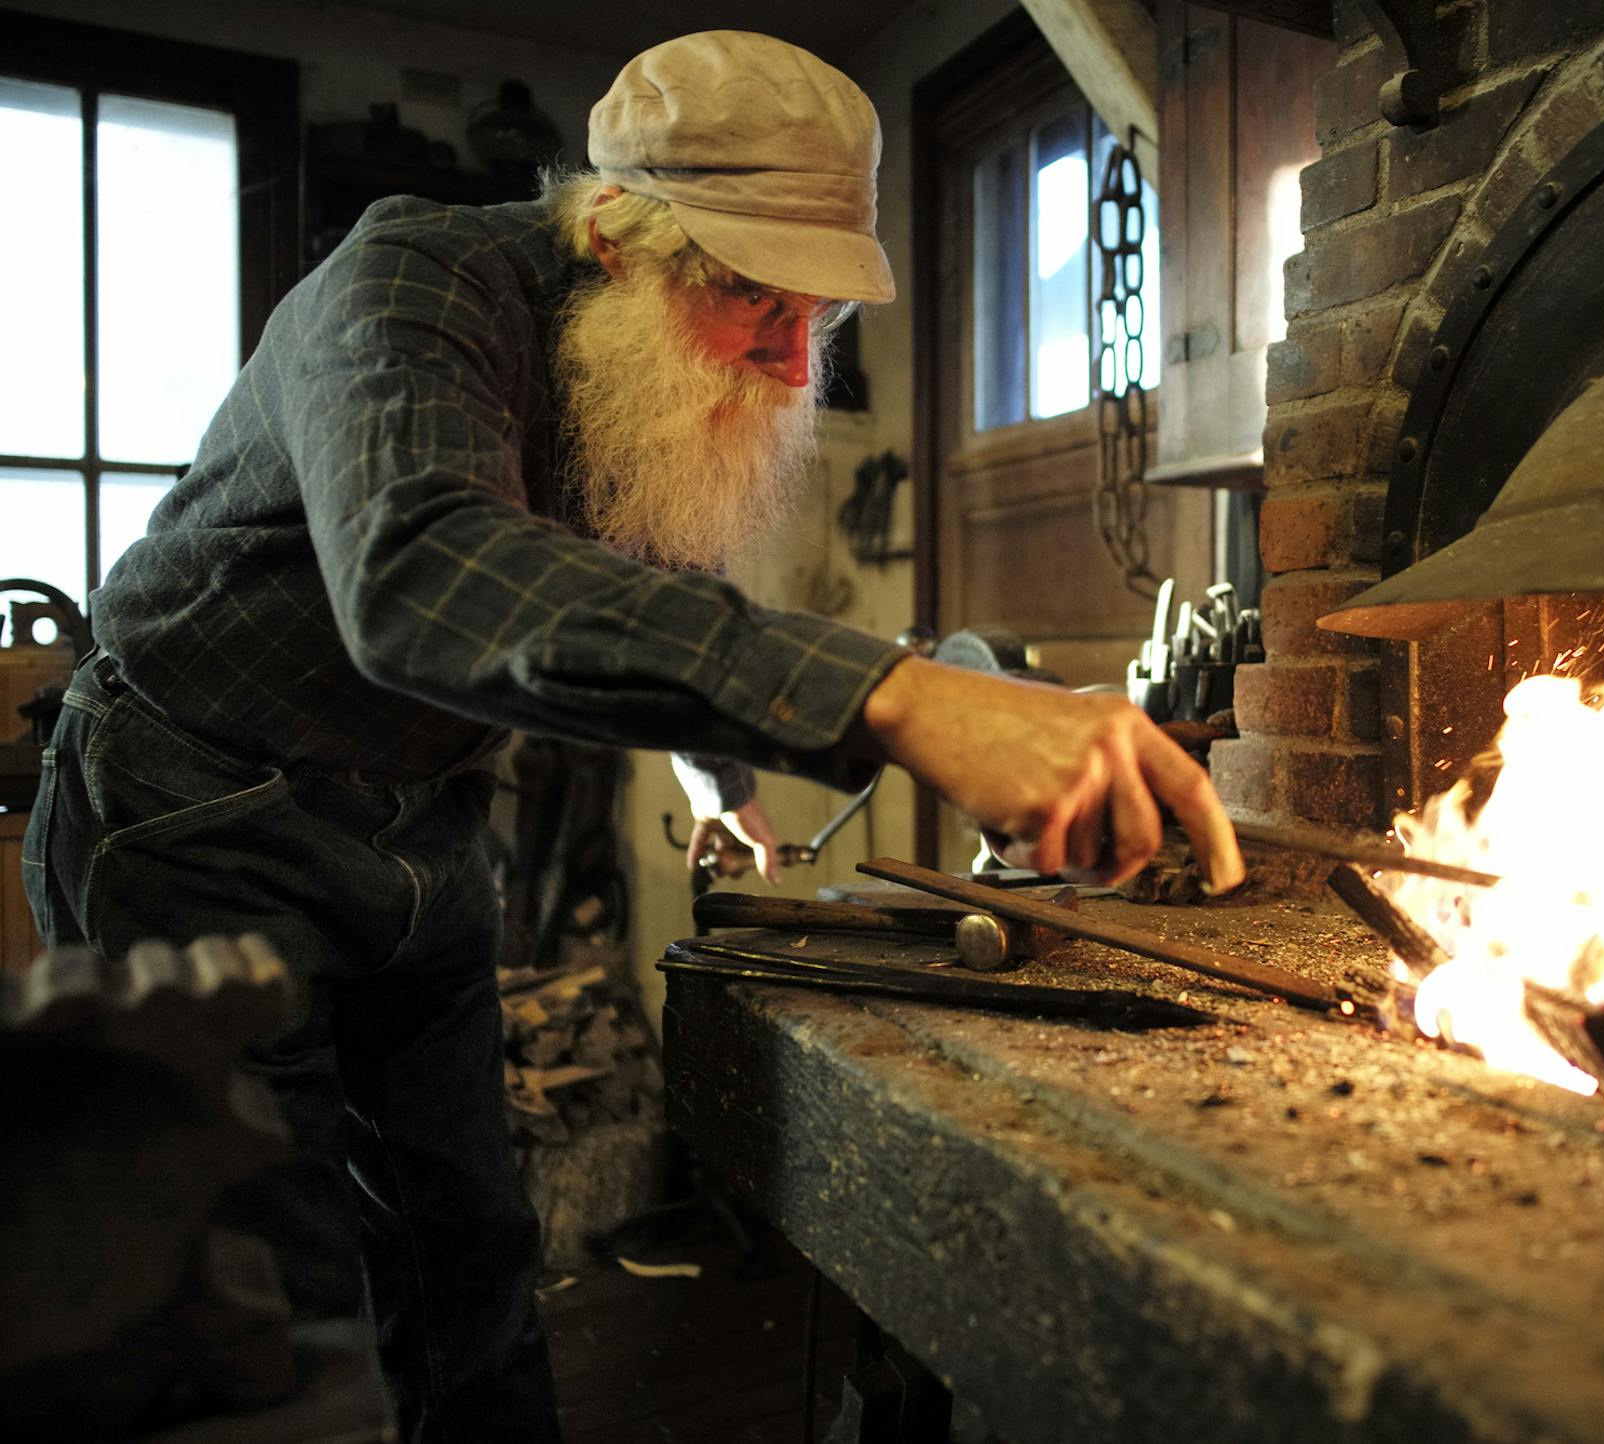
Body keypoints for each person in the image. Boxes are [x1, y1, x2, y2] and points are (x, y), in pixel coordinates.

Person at [20, 30, 1242, 1442]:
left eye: (818, 321)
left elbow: (657, 567)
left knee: (468, 1258)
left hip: (418, 836)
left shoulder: (625, 363)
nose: (795, 366)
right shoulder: (408, 284)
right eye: (754, 305)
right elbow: (424, 571)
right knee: (280, 1328)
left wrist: (716, 769)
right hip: (196, 820)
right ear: (611, 231)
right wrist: (898, 698)